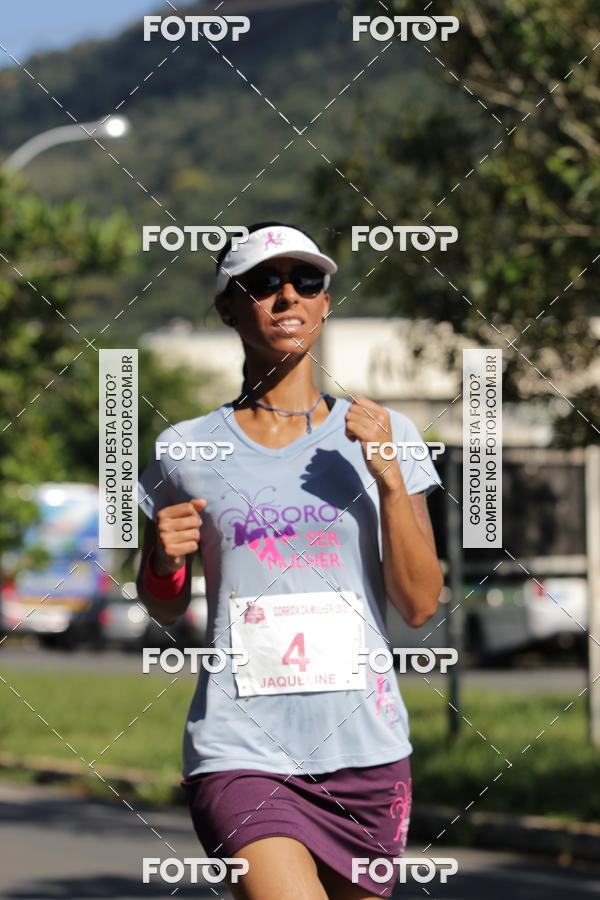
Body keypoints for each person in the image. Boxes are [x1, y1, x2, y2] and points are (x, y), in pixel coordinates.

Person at [135, 221, 444, 899]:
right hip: (241, 749)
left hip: (367, 751)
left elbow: (421, 605)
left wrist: (390, 477)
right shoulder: (185, 450)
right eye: (263, 284)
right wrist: (162, 557)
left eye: (306, 281)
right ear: (227, 306)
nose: (287, 298)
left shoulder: (386, 435)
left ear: (326, 302)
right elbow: (160, 602)